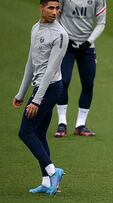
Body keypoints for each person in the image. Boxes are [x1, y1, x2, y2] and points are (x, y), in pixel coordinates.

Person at [12, 0, 68, 195]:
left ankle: (53, 172)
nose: (55, 12)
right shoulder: (36, 28)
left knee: (25, 132)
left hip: (50, 88)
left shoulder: (60, 35)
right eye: (51, 8)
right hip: (40, 88)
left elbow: (51, 70)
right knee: (39, 134)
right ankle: (46, 183)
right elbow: (31, 62)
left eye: (57, 8)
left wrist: (36, 100)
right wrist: (21, 93)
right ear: (41, 8)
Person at [54, 0, 107, 137]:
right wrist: (65, 37)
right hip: (66, 45)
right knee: (63, 81)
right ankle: (62, 123)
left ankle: (80, 125)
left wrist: (89, 41)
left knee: (88, 84)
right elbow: (56, 16)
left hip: (87, 46)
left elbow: (101, 23)